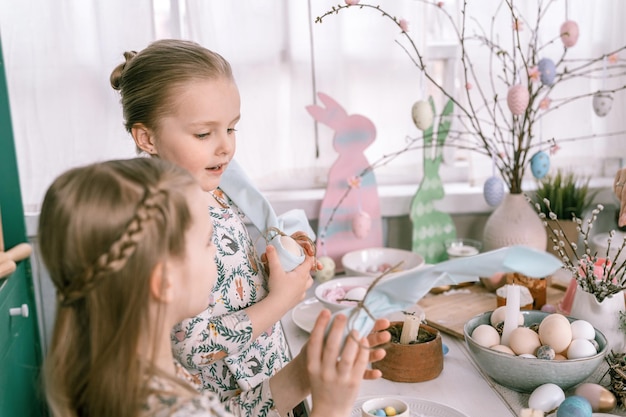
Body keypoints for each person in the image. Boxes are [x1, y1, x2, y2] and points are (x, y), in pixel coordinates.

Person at [38, 157, 387, 417]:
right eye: (209, 242)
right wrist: (331, 409)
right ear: (165, 282)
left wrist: (302, 376)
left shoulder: (133, 377)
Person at [109, 39, 324, 414]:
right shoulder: (158, 223)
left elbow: (232, 267)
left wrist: (280, 254)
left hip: (273, 384)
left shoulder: (215, 188)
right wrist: (281, 301)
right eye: (204, 134)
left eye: (231, 128)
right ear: (147, 138)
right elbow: (192, 345)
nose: (225, 147)